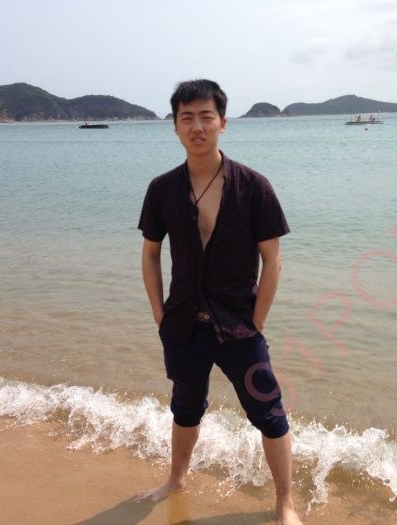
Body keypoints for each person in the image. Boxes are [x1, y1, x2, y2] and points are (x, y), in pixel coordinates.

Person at [136, 79, 302, 524]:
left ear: (222, 123)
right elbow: (150, 255)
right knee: (186, 408)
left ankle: (285, 502)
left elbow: (272, 259)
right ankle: (176, 480)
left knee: (269, 412)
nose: (197, 126)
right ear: (175, 126)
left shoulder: (254, 187)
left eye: (206, 116)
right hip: (183, 325)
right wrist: (159, 312)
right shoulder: (162, 189)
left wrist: (258, 319)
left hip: (239, 326)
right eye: (186, 117)